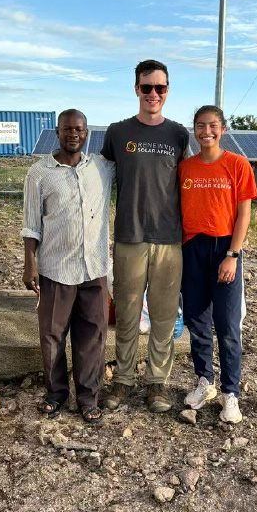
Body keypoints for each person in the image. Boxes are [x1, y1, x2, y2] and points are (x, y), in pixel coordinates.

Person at [101, 60, 189, 413]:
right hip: (129, 237)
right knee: (127, 314)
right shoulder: (118, 132)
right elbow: (101, 178)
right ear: (136, 89)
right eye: (147, 87)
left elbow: (191, 181)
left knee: (164, 317)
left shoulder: (179, 135)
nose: (153, 94)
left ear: (168, 91)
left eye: (160, 88)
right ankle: (121, 381)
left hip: (170, 239)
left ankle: (157, 384)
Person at [21, 109, 115, 423]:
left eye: (78, 129)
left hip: (94, 268)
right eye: (66, 129)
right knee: (52, 334)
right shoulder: (39, 173)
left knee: (93, 335)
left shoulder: (102, 168)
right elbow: (31, 224)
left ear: (87, 133)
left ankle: (88, 398)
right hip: (55, 268)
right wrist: (29, 263)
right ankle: (56, 393)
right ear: (57, 132)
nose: (73, 134)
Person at [178, 105, 257, 423]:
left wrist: (232, 255)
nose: (205, 131)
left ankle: (230, 393)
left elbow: (244, 214)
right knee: (197, 323)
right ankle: (204, 382)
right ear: (194, 130)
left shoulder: (237, 164)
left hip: (224, 248)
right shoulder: (185, 168)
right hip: (192, 248)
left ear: (223, 129)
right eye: (199, 125)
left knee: (227, 326)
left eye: (212, 125)